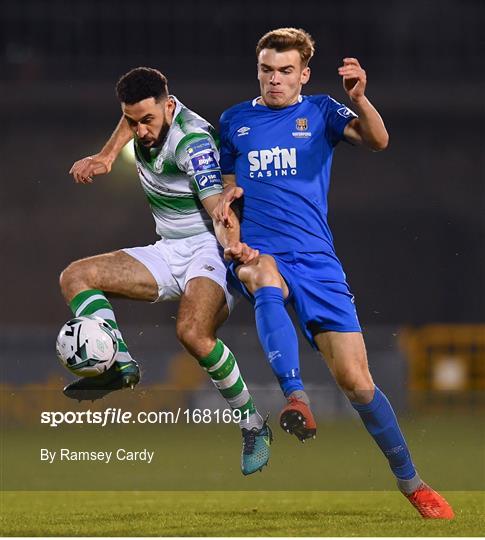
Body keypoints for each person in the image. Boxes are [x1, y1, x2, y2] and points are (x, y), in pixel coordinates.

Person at [214, 27, 454, 518]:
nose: (274, 80)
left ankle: (412, 483)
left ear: (303, 74)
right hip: (262, 250)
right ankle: (296, 398)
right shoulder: (235, 121)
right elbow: (226, 197)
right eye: (266, 70)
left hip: (318, 261)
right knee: (263, 278)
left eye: (285, 72)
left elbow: (379, 140)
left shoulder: (322, 110)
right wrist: (231, 239)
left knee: (357, 381)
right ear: (257, 70)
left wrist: (361, 100)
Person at [64, 67, 271, 476]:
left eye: (148, 120)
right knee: (75, 276)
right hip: (168, 250)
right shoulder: (141, 119)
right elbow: (130, 120)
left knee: (192, 333)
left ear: (169, 105)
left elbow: (218, 207)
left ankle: (253, 424)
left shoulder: (192, 143)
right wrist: (105, 157)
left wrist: (232, 247)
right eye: (132, 120)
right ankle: (119, 365)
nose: (140, 130)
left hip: (209, 249)